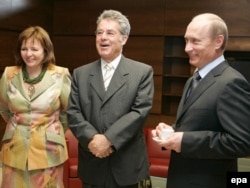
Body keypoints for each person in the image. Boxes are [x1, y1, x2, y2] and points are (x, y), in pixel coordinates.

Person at [152, 13, 250, 188]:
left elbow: (242, 142)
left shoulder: (231, 82)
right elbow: (197, 126)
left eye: (195, 41)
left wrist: (184, 141)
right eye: (186, 41)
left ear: (218, 42)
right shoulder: (193, 79)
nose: (187, 48)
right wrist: (172, 132)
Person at [67, 9, 154, 188]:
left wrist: (108, 140)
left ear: (124, 39)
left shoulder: (142, 72)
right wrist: (92, 139)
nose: (103, 37)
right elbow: (73, 112)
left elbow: (139, 112)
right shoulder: (80, 73)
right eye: (99, 33)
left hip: (126, 165)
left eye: (110, 33)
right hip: (92, 162)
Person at [0, 26, 71, 187]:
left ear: (45, 51)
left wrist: (52, 131)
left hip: (49, 150)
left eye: (34, 49)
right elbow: (3, 108)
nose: (29, 54)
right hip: (14, 149)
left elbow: (69, 111)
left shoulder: (60, 75)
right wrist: (18, 126)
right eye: (24, 48)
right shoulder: (9, 74)